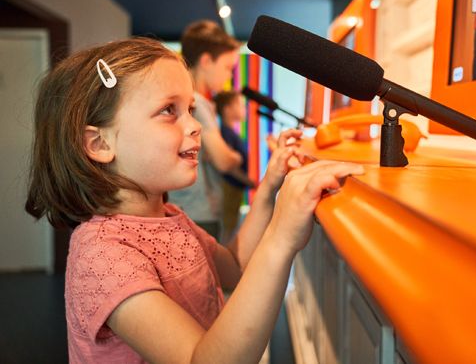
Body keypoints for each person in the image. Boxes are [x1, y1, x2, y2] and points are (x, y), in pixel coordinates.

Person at [24, 37, 364, 363]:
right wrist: (282, 237)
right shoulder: (102, 256)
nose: (195, 125)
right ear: (99, 145)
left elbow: (235, 266)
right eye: (169, 110)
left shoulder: (170, 218)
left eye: (190, 108)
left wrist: (269, 189)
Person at [167, 20, 243, 241]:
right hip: (197, 210)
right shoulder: (197, 102)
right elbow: (223, 160)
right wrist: (237, 156)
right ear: (207, 61)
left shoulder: (187, 101)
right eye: (228, 67)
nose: (229, 75)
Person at [214, 90, 256, 246]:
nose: (244, 109)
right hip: (229, 187)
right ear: (227, 109)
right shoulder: (225, 133)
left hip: (234, 188)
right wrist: (248, 181)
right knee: (228, 229)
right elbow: (228, 165)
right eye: (240, 105)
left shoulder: (230, 132)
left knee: (231, 227)